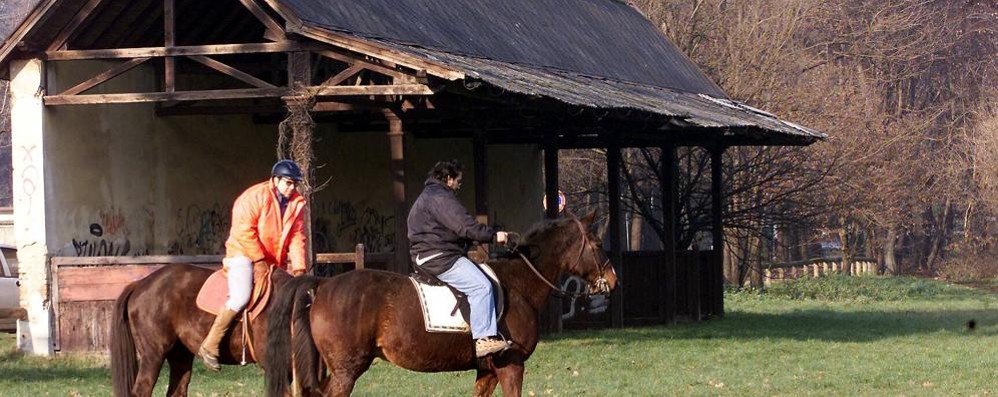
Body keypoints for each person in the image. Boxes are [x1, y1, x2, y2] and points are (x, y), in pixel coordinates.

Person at [198, 159, 309, 371]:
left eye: (295, 183)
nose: (292, 187)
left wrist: (299, 269)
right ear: (275, 180)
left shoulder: (297, 203)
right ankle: (210, 344)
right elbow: (244, 231)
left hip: (273, 261)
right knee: (240, 296)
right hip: (242, 254)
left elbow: (297, 236)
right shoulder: (253, 197)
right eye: (288, 182)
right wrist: (258, 261)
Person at [407, 159, 511, 357]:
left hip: (426, 255)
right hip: (440, 257)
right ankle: (483, 338)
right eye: (458, 181)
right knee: (481, 286)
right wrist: (493, 235)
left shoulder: (426, 197)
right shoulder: (441, 198)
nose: (459, 186)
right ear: (448, 179)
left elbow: (446, 231)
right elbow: (465, 226)